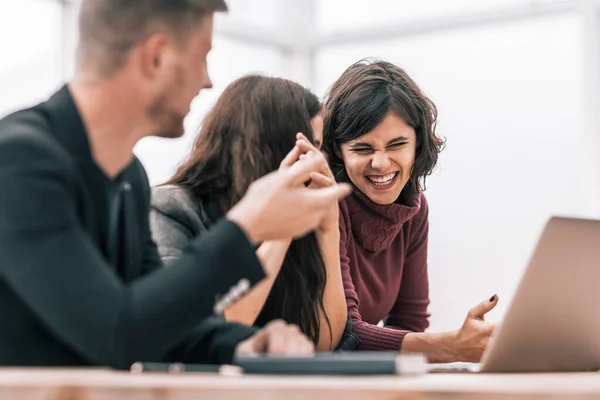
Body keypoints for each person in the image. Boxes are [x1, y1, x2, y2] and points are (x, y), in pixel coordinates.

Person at [0, 0, 352, 368]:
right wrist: (245, 227)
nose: (208, 81)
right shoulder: (18, 163)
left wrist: (243, 344)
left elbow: (159, 324)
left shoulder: (128, 178)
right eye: (202, 57)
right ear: (157, 57)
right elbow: (115, 331)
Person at [151, 75, 356, 351]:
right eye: (312, 148)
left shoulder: (303, 218)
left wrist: (329, 230)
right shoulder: (171, 208)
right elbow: (207, 330)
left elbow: (324, 343)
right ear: (274, 148)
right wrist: (280, 232)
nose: (320, 162)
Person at [322, 59, 497, 363]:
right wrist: (451, 346)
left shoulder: (414, 210)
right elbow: (343, 334)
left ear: (417, 144)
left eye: (396, 144)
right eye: (363, 148)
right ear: (337, 149)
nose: (380, 163)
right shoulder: (325, 201)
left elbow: (410, 321)